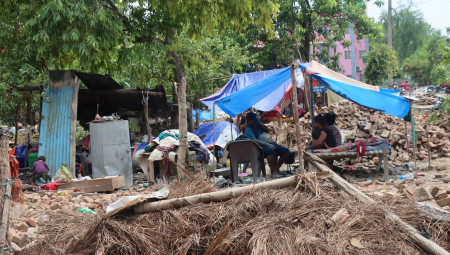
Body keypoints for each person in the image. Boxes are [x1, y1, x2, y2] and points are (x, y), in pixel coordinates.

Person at [243, 112, 290, 177]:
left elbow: (267, 129)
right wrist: (268, 145)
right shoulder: (248, 129)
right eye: (254, 120)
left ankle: (276, 169)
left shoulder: (256, 125)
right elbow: (254, 141)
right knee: (270, 150)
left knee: (286, 151)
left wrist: (259, 123)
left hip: (269, 143)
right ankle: (273, 173)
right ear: (250, 120)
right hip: (259, 148)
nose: (256, 121)